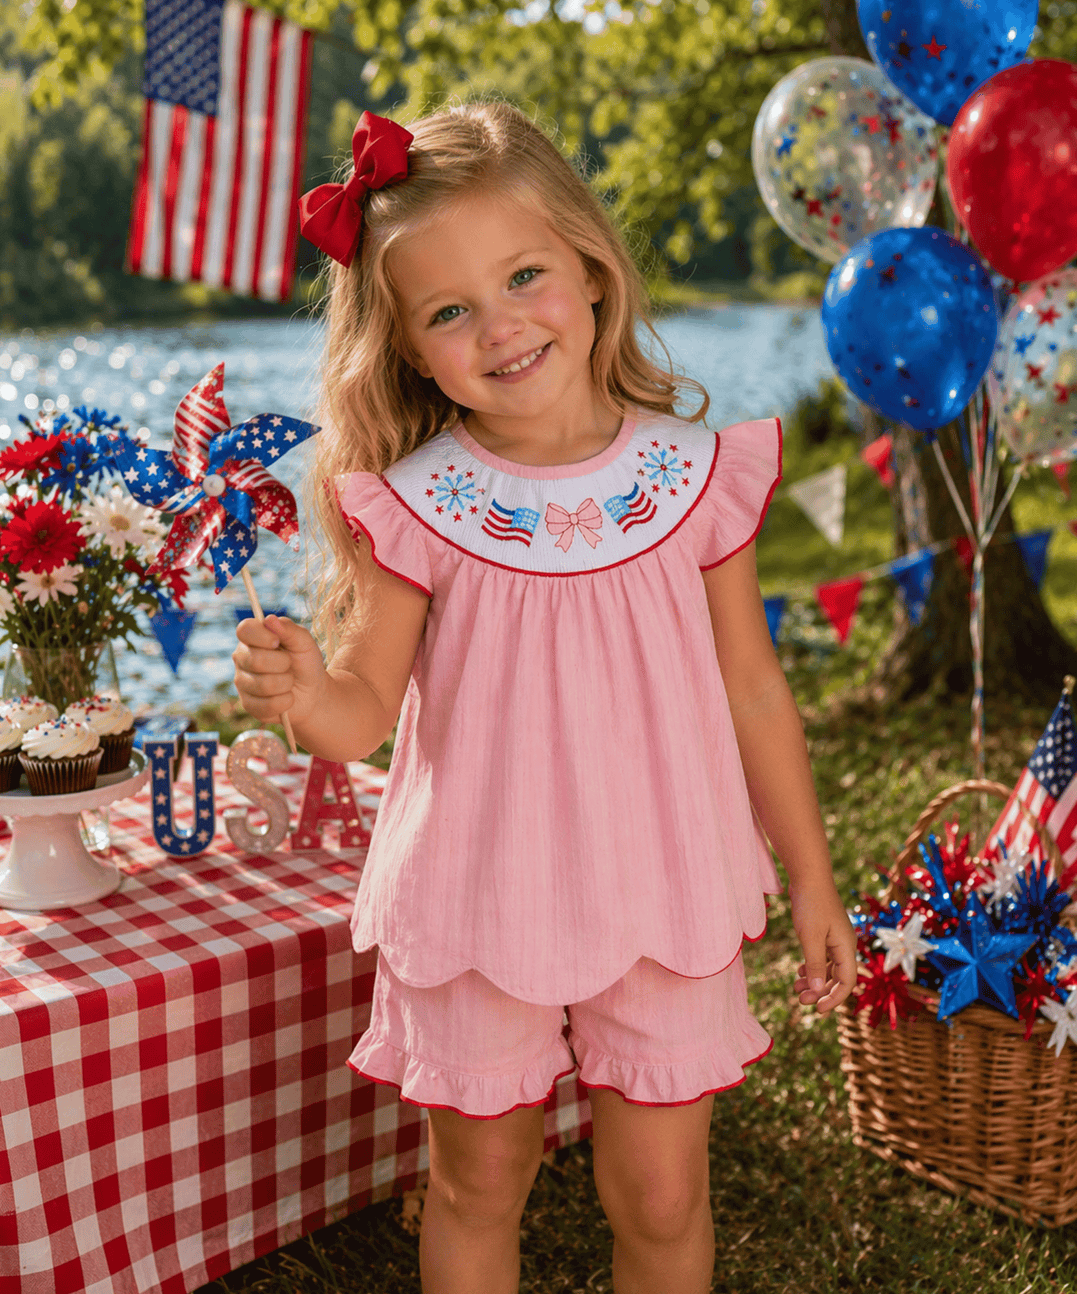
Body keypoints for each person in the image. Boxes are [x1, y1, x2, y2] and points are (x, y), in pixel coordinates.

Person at [232, 102, 857, 1294]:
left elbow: (754, 690)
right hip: (477, 892)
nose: (502, 325)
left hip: (665, 879)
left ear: (591, 266)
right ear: (412, 348)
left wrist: (815, 875)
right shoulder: (418, 505)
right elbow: (365, 708)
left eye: (525, 275)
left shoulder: (690, 476)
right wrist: (309, 696)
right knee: (477, 1183)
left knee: (664, 1196)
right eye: (452, 310)